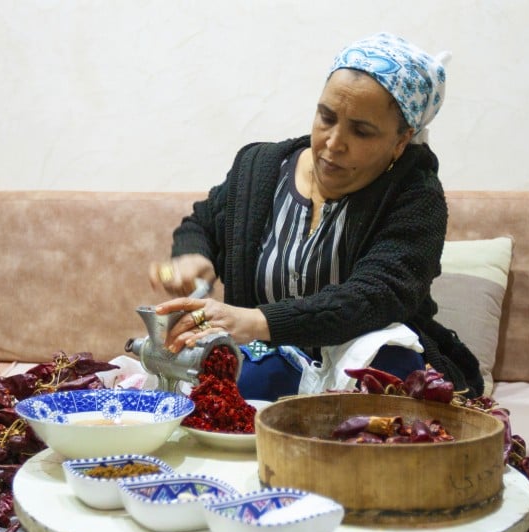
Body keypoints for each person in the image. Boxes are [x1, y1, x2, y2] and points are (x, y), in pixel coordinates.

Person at [147, 32, 483, 401]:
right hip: (264, 360)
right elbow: (203, 223)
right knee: (245, 373)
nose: (334, 142)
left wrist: (258, 322)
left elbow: (374, 297)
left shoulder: (416, 198)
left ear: (401, 141)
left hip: (361, 364)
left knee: (387, 372)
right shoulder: (260, 168)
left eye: (361, 131)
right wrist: (195, 255)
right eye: (326, 117)